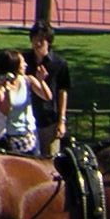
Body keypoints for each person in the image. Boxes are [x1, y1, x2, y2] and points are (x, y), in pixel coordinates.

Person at [0, 50, 51, 154]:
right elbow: (5, 110)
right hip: (9, 137)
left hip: (29, 134)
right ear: (14, 66)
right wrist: (7, 91)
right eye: (22, 63)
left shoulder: (27, 80)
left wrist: (41, 81)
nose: (26, 65)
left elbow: (47, 97)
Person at [27, 22, 70, 155]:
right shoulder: (24, 61)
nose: (37, 43)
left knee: (50, 160)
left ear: (48, 42)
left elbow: (62, 91)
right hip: (28, 120)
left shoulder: (59, 63)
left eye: (41, 40)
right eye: (35, 39)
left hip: (48, 120)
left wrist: (61, 121)